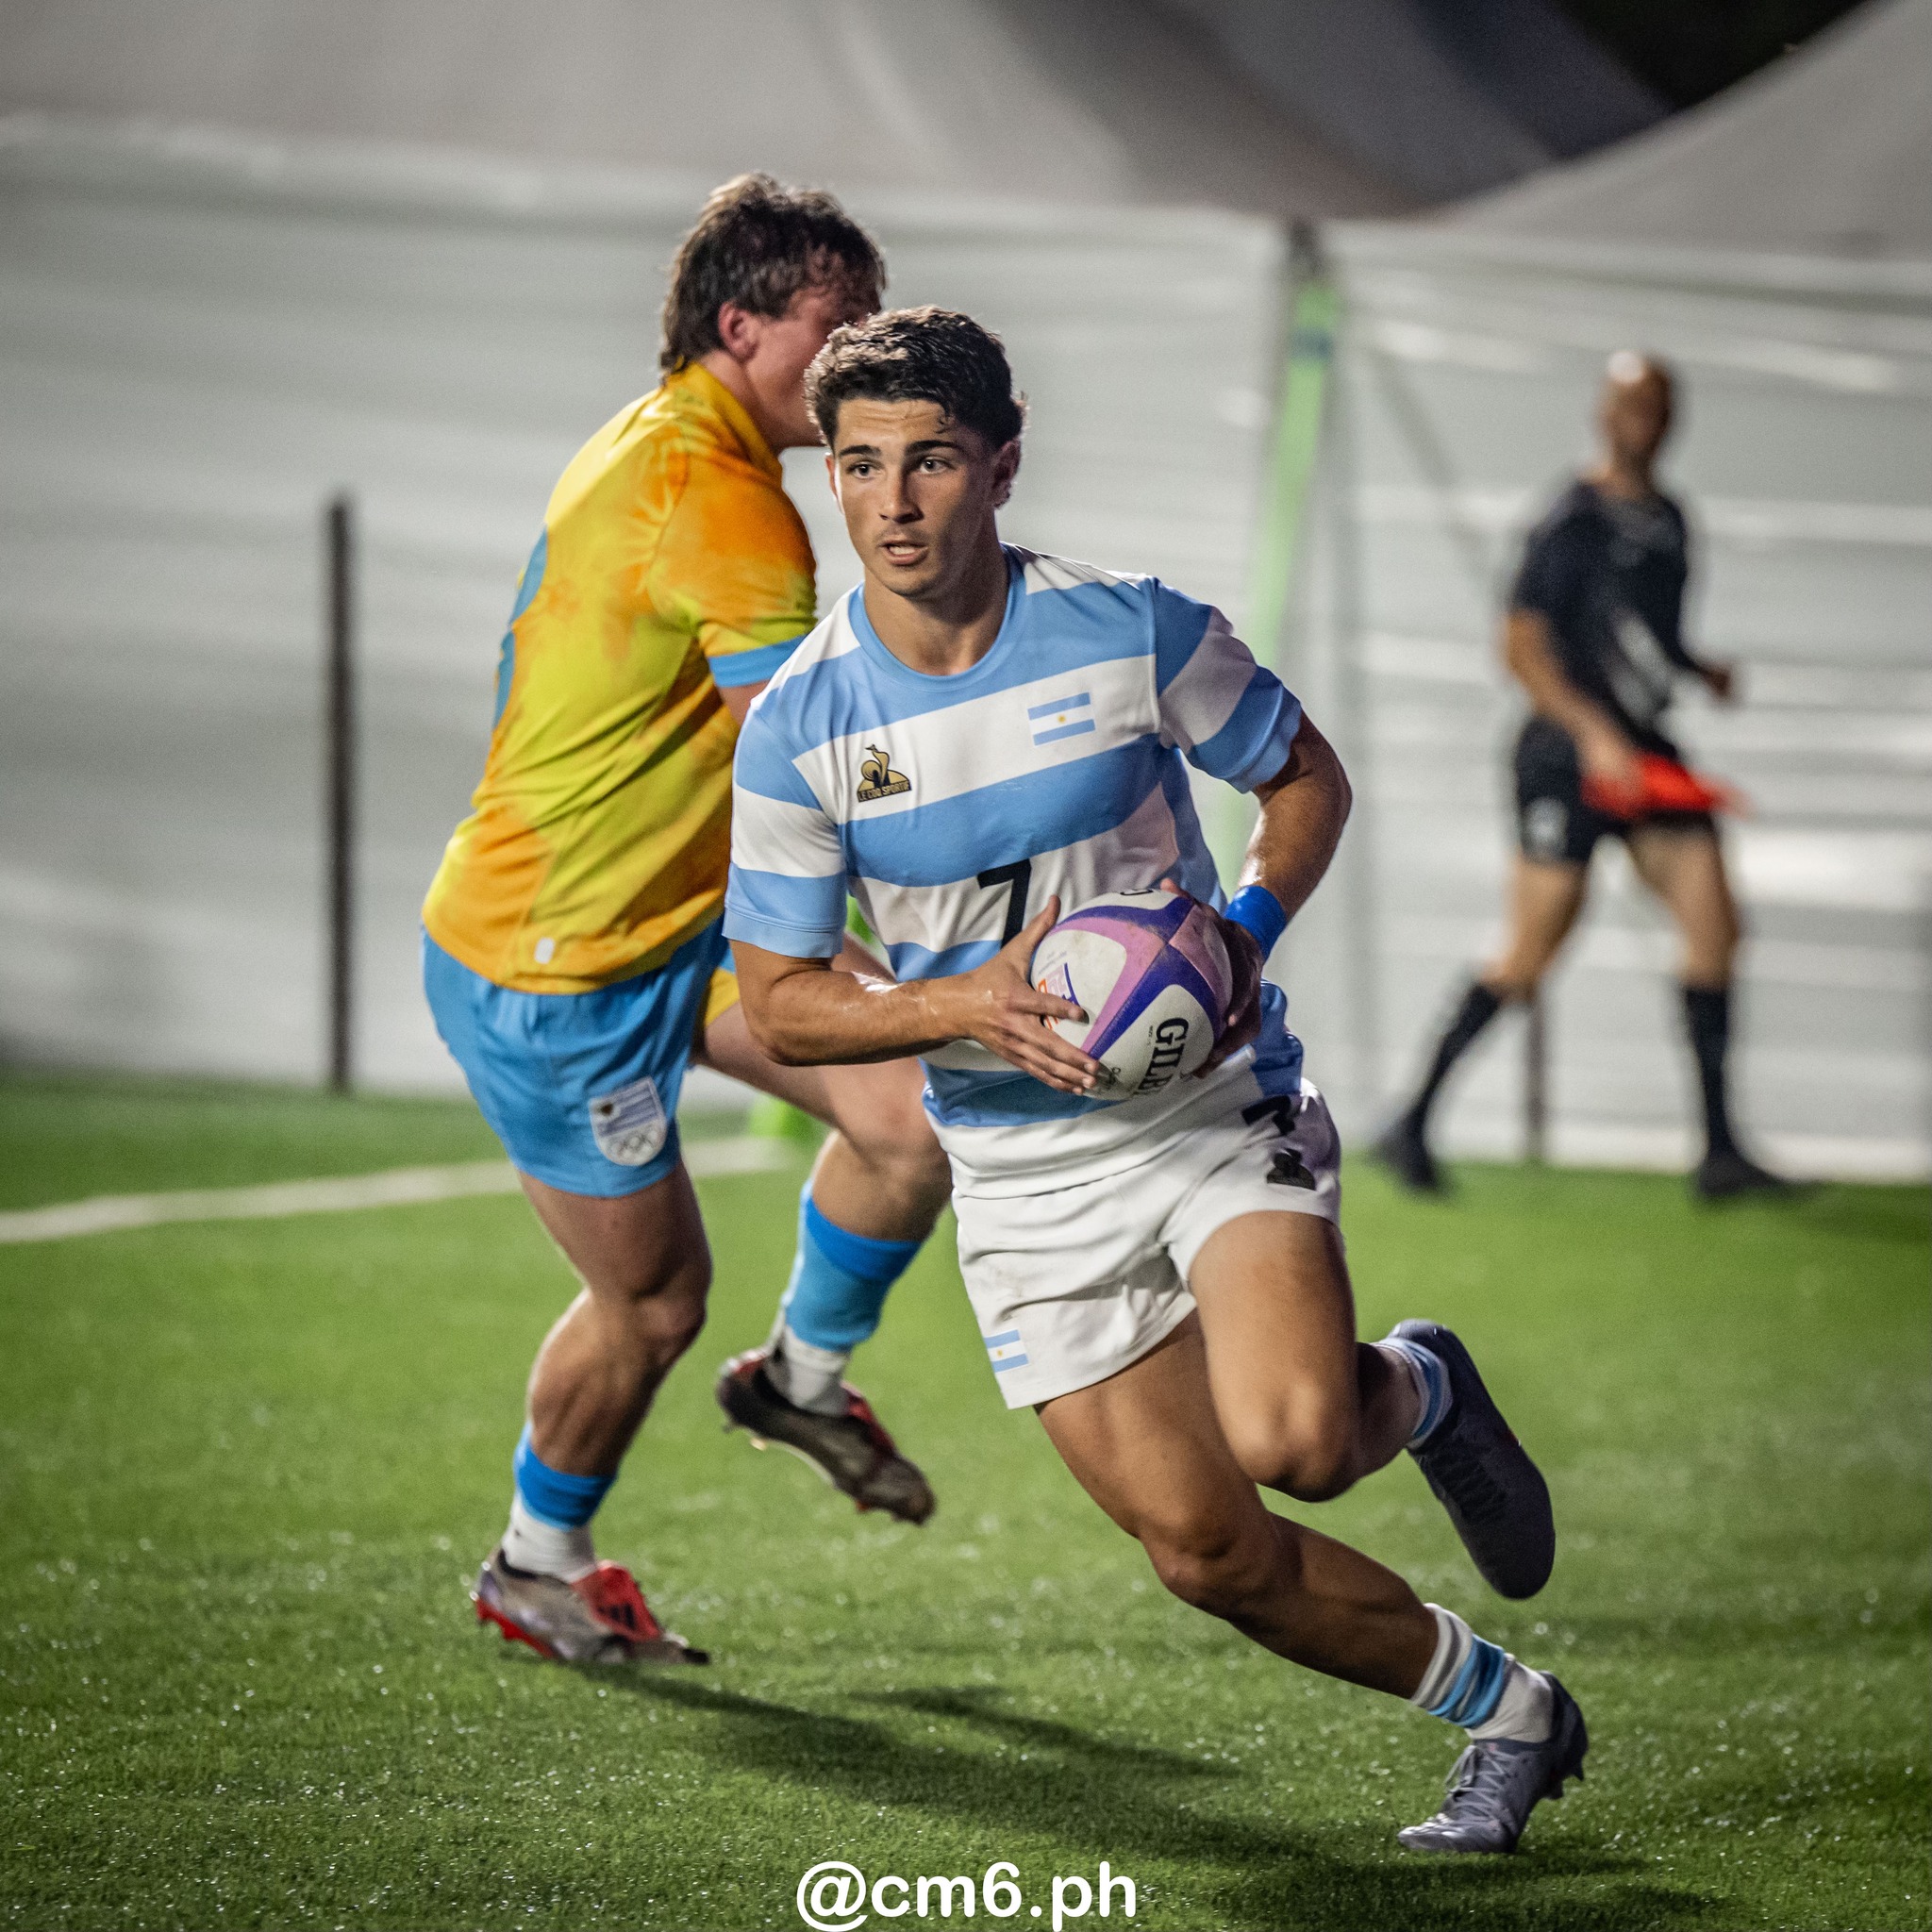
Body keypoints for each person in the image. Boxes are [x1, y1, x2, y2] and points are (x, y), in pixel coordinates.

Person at [724, 307, 1587, 1854]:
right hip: (1015, 1168)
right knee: (1203, 1549)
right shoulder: (798, 727)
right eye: (858, 466)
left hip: (1203, 1107)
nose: (894, 500)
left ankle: (1416, 1386)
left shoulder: (1129, 630)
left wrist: (1245, 924)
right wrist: (958, 1006)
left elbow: (1301, 774)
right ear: (831, 483)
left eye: (928, 460)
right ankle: (1512, 1711)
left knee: (1299, 1439)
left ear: (1000, 461)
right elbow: (780, 1004)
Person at [422, 177, 954, 1668]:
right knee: (653, 1302)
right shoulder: (730, 507)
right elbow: (808, 767)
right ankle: (535, 1562)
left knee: (911, 1121)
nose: (863, 365)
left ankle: (801, 1380)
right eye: (838, 332)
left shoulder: (655, 435)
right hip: (563, 969)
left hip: (675, 922)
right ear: (743, 324)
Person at [1374, 353, 1792, 1202]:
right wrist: (1595, 735)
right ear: (1604, 414)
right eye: (1630, 404)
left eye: (1659, 406)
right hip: (1564, 760)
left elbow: (1649, 637)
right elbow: (1521, 646)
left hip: (1649, 756)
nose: (1644, 420)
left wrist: (1698, 668)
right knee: (1529, 955)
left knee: (1716, 926)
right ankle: (1410, 1124)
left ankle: (1719, 1151)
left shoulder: (1672, 521)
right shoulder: (1569, 520)